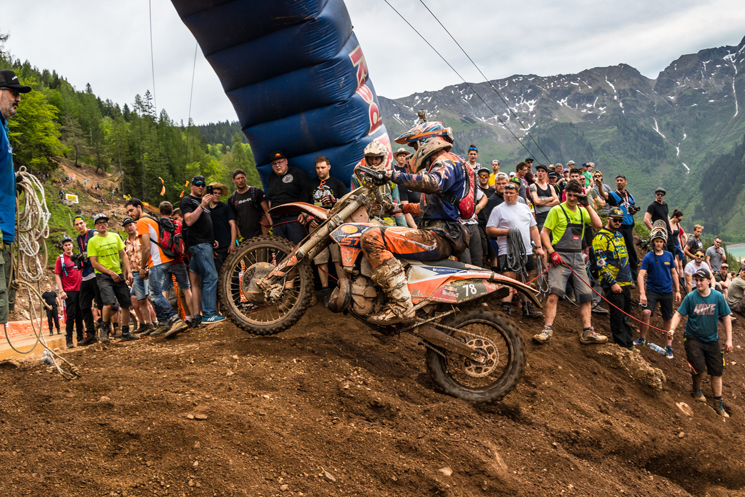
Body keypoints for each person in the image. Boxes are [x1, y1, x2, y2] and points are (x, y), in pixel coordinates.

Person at [355, 122, 468, 324]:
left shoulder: (446, 161)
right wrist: (400, 208)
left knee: (372, 237)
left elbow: (434, 183)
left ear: (427, 141)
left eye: (415, 146)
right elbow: (428, 208)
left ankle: (400, 305)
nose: (414, 152)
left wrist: (393, 175)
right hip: (440, 232)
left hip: (440, 235)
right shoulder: (441, 164)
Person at [534, 179, 607, 345]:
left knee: (585, 295)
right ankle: (546, 330)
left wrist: (587, 205)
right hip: (559, 257)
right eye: (569, 195)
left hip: (577, 258)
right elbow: (544, 233)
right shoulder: (556, 210)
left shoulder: (582, 212)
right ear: (564, 193)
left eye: (575, 195)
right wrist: (551, 252)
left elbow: (598, 224)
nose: (572, 198)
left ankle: (588, 332)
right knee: (554, 293)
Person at [669, 268, 733, 417]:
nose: (698, 283)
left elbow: (726, 317)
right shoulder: (691, 297)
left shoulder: (717, 297)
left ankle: (718, 402)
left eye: (701, 280)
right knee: (698, 368)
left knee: (717, 371)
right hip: (693, 338)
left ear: (708, 281)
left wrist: (729, 339)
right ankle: (696, 388)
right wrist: (672, 329)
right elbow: (678, 314)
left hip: (712, 339)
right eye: (696, 280)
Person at [125, 199, 190, 338]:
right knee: (154, 293)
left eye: (131, 210)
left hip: (157, 261)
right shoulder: (151, 218)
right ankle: (162, 324)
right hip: (162, 259)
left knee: (154, 294)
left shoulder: (142, 222)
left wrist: (142, 267)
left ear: (138, 207)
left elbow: (146, 247)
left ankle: (175, 319)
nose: (130, 214)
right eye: (127, 212)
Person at [486, 181, 544, 318]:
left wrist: (539, 247)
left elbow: (533, 228)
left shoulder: (524, 208)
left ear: (517, 194)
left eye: (511, 193)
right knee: (509, 279)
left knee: (526, 278)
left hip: (526, 250)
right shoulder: (498, 209)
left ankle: (527, 308)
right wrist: (506, 232)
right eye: (506, 193)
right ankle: (505, 309)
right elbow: (489, 229)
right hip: (507, 250)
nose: (508, 195)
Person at [0, 70, 30, 326]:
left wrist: (12, 182)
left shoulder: (3, 127)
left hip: (5, 229)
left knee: (4, 295)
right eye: (14, 92)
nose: (18, 99)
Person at [85, 214, 137, 343]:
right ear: (95, 226)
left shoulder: (115, 237)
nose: (102, 224)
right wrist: (110, 273)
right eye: (99, 223)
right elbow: (94, 263)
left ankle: (125, 331)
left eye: (104, 222)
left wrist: (129, 271)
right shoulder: (92, 241)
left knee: (125, 303)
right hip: (103, 275)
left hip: (118, 273)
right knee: (108, 303)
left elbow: (124, 255)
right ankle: (104, 329)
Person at [180, 176, 225, 324]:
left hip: (205, 244)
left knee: (197, 282)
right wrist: (202, 205)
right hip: (199, 245)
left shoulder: (202, 202)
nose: (201, 187)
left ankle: (197, 316)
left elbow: (203, 224)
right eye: (198, 185)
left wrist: (212, 241)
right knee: (211, 277)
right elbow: (189, 220)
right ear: (191, 186)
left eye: (203, 185)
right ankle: (209, 314)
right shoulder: (187, 201)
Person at [592, 208, 634, 348]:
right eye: (615, 219)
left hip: (626, 281)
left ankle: (629, 344)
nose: (618, 222)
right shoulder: (600, 238)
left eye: (620, 220)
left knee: (626, 316)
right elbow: (601, 264)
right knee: (617, 316)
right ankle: (621, 345)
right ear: (608, 219)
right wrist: (612, 283)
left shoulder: (619, 235)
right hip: (613, 284)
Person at [635, 229, 681, 358]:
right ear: (653, 242)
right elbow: (641, 275)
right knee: (646, 312)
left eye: (661, 241)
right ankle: (642, 339)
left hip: (667, 291)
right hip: (652, 290)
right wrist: (642, 293)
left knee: (667, 318)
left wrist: (677, 290)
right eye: (657, 241)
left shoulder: (669, 256)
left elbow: (673, 273)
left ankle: (669, 347)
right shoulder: (648, 256)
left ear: (664, 243)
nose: (659, 244)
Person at [309, 156, 348, 307]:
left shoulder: (337, 183)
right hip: (316, 225)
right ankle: (325, 291)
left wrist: (334, 201)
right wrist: (307, 217)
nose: (320, 170)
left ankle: (343, 290)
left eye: (323, 167)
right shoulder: (310, 184)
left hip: (334, 223)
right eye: (318, 168)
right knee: (320, 259)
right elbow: (304, 204)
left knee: (338, 257)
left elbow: (347, 204)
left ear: (329, 167)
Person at [351, 141, 407, 227]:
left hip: (389, 222)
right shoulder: (357, 177)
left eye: (377, 158)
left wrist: (404, 229)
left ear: (382, 158)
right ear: (366, 159)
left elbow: (396, 203)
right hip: (367, 221)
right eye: (370, 158)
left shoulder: (390, 177)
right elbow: (353, 204)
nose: (373, 162)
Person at [158, 201, 194, 327]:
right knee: (186, 289)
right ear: (172, 212)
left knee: (165, 291)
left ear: (160, 212)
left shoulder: (158, 225)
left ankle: (169, 319)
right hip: (178, 260)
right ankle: (193, 317)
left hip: (164, 261)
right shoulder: (178, 223)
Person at [598, 174, 640, 279]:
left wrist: (633, 211)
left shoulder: (630, 196)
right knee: (619, 250)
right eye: (617, 180)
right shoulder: (613, 194)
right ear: (615, 183)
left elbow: (631, 210)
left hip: (629, 226)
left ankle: (634, 276)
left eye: (621, 180)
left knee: (631, 251)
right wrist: (599, 186)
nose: (619, 182)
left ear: (626, 182)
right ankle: (619, 274)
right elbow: (604, 195)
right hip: (618, 226)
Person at [265, 151, 312, 244]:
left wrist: (304, 213)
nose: (278, 165)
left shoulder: (297, 173)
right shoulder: (270, 178)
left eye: (280, 162)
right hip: (278, 222)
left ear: (286, 161)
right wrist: (271, 221)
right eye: (274, 164)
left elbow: (308, 193)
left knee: (299, 251)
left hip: (295, 219)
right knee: (280, 254)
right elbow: (270, 199)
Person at [73, 215, 104, 345]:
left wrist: (88, 253)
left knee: (101, 303)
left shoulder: (92, 233)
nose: (79, 226)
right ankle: (91, 333)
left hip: (96, 272)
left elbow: (100, 238)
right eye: (77, 224)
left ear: (85, 223)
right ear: (75, 227)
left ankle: (105, 329)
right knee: (84, 304)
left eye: (81, 223)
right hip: (85, 274)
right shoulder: (78, 238)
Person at [122, 217, 155, 335]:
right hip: (135, 272)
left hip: (147, 270)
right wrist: (127, 274)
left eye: (130, 225)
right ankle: (148, 324)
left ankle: (156, 322)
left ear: (135, 225)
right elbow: (126, 260)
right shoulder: (126, 243)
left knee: (150, 297)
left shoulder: (142, 237)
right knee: (141, 300)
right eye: (126, 226)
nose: (129, 228)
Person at [54, 237, 84, 348]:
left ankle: (80, 338)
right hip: (69, 291)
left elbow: (82, 270)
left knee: (80, 315)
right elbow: (57, 274)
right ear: (63, 247)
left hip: (80, 289)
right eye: (66, 245)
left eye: (69, 245)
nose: (68, 247)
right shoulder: (60, 259)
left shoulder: (77, 257)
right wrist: (61, 291)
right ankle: (69, 340)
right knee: (70, 316)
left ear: (72, 245)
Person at [229, 168, 271, 239]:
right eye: (238, 179)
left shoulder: (256, 192)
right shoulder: (232, 199)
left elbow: (266, 210)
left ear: (246, 178)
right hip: (244, 236)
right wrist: (238, 235)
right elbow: (234, 220)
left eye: (242, 177)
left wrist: (272, 226)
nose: (241, 180)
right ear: (233, 180)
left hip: (261, 232)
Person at [208, 182, 237, 274]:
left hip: (228, 246)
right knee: (219, 275)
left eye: (219, 193)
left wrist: (233, 243)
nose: (217, 195)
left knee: (233, 273)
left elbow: (233, 224)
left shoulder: (225, 207)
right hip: (215, 249)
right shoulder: (205, 210)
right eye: (214, 193)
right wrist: (210, 248)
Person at [529, 164, 559, 231]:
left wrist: (543, 203)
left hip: (551, 214)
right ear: (536, 173)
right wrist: (550, 199)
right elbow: (536, 201)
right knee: (543, 237)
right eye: (538, 171)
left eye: (542, 171)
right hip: (540, 216)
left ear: (546, 174)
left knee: (552, 238)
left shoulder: (550, 187)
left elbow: (557, 201)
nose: (540, 172)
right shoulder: (533, 186)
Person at [669, 209, 686, 282]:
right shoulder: (669, 223)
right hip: (671, 244)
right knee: (675, 263)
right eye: (679, 219)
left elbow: (679, 236)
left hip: (677, 244)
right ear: (675, 217)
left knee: (680, 264)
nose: (679, 221)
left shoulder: (677, 224)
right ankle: (676, 279)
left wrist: (681, 247)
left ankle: (681, 280)